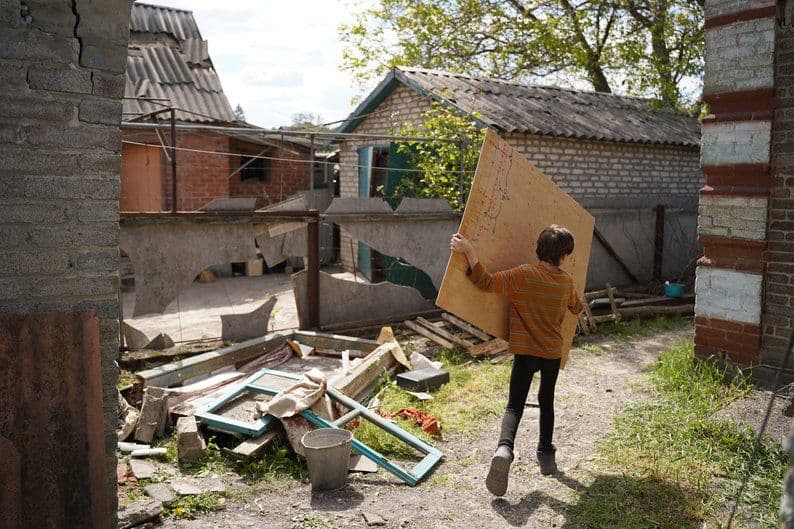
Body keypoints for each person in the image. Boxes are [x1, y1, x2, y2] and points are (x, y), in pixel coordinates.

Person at [449, 225, 584, 496]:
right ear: (564, 255)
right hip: (551, 353)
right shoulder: (566, 282)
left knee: (514, 405)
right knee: (546, 401)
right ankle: (546, 455)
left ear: (539, 249)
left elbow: (485, 281)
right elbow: (576, 308)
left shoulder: (523, 275)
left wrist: (469, 250)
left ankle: (504, 448)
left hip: (525, 352)